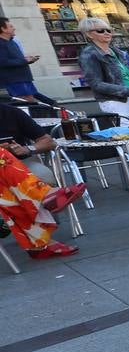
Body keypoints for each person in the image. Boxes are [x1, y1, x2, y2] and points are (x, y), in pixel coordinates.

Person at [1, 104, 85, 259]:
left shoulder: (9, 112)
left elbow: (49, 141)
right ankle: (44, 195)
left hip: (19, 168)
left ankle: (39, 244)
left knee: (10, 191)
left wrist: (27, 149)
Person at [78, 16, 129, 176]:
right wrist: (128, 91)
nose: (107, 33)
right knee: (124, 139)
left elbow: (128, 76)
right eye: (101, 30)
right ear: (89, 34)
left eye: (109, 30)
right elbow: (95, 83)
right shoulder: (89, 54)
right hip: (115, 101)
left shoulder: (116, 52)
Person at [0, 18, 58, 106]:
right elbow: (3, 62)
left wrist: (28, 60)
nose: (14, 28)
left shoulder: (12, 42)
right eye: (10, 26)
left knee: (32, 98)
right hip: (15, 80)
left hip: (24, 78)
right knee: (27, 102)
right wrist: (24, 60)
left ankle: (52, 104)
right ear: (3, 29)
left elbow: (14, 60)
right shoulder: (1, 44)